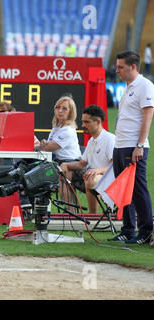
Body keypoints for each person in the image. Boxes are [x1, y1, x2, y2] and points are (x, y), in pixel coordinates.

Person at [108, 50, 154, 245]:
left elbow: (147, 116)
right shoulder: (127, 86)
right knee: (123, 189)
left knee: (138, 189)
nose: (117, 70)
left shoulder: (144, 86)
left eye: (121, 67)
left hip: (133, 146)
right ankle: (128, 229)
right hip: (120, 144)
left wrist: (139, 145)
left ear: (133, 67)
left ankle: (146, 232)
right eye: (117, 66)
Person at [59, 105, 115, 213]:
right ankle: (70, 211)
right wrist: (66, 165)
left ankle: (92, 214)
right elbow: (81, 164)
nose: (83, 125)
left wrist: (97, 171)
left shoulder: (110, 139)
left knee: (91, 177)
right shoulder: (91, 141)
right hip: (95, 177)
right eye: (83, 122)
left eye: (87, 122)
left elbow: (115, 166)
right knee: (63, 172)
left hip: (112, 179)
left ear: (98, 122)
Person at [38, 95, 82, 206]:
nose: (60, 111)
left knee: (61, 176)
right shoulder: (57, 127)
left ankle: (69, 212)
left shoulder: (68, 130)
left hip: (72, 163)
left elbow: (48, 147)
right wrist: (43, 143)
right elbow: (47, 145)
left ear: (71, 112)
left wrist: (41, 144)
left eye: (64, 108)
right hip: (59, 161)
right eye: (58, 108)